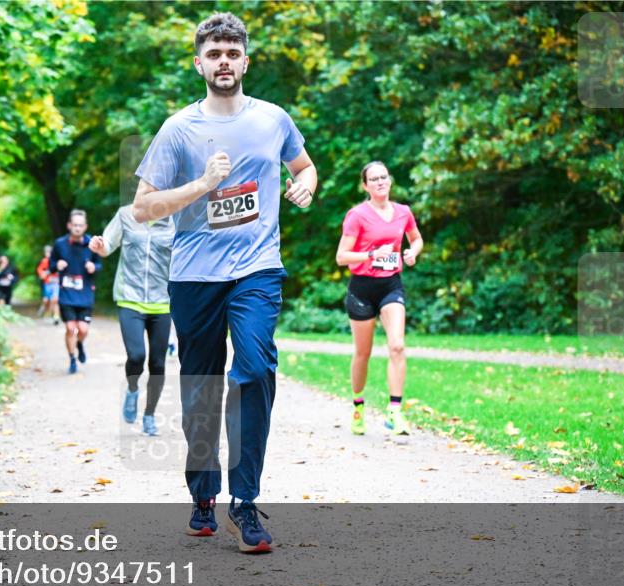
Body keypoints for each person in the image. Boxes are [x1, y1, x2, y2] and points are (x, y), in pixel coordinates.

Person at [132, 12, 317, 553]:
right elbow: (143, 207)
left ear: (246, 60)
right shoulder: (178, 129)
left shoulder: (273, 119)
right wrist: (202, 184)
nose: (224, 62)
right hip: (193, 277)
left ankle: (245, 501)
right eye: (214, 54)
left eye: (233, 53)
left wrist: (303, 184)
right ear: (199, 64)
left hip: (256, 269)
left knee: (256, 367)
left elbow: (304, 166)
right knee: (201, 392)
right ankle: (203, 493)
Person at [335, 161, 424, 437]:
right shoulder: (357, 215)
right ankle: (358, 405)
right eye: (373, 179)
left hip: (390, 286)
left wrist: (412, 253)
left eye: (383, 177)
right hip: (362, 288)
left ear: (390, 181)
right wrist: (371, 255)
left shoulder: (403, 212)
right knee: (363, 353)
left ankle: (395, 411)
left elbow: (416, 239)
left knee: (397, 346)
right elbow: (341, 257)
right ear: (365, 186)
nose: (380, 182)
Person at [89, 205, 175, 437]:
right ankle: (133, 388)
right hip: (130, 299)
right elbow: (108, 244)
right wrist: (100, 246)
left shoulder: (175, 217)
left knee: (157, 364)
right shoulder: (126, 214)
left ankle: (149, 415)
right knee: (136, 355)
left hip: (162, 302)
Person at [49, 210, 101, 374]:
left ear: (85, 227)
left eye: (80, 225)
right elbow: (51, 264)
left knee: (83, 329)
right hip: (67, 293)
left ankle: (79, 344)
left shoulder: (92, 244)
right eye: (75, 225)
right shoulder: (59, 244)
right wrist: (57, 265)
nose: (77, 228)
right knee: (71, 328)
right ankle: (72, 359)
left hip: (85, 293)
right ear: (69, 225)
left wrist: (94, 267)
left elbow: (99, 265)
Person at [35, 245, 60, 324]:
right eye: (47, 252)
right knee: (46, 301)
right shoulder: (44, 261)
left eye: (50, 252)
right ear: (45, 253)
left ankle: (56, 317)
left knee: (55, 300)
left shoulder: (57, 261)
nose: (48, 254)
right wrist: (42, 274)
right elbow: (39, 270)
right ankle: (44, 308)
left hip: (56, 284)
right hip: (47, 284)